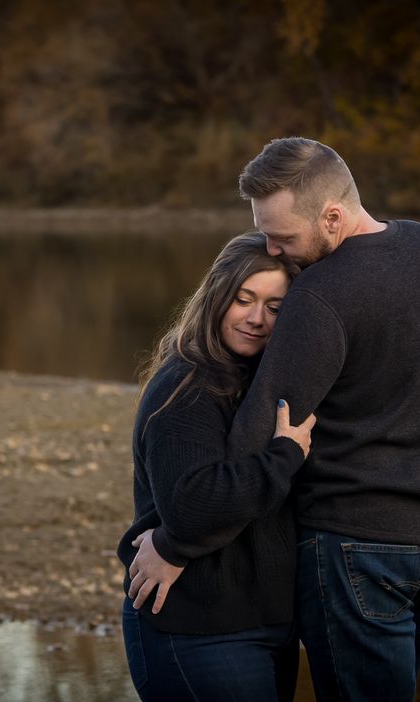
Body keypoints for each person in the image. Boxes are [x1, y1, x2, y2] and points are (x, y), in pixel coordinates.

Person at [226, 137, 420, 701]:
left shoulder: (321, 293)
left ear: (332, 217)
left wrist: (177, 535)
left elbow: (259, 432)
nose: (272, 249)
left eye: (282, 237)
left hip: (351, 548)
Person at [118, 231, 316, 702]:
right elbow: (194, 504)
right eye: (244, 299)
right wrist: (284, 455)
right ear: (217, 296)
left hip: (267, 624)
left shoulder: (261, 381)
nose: (256, 319)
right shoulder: (187, 385)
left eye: (275, 307)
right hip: (197, 629)